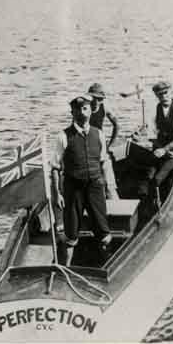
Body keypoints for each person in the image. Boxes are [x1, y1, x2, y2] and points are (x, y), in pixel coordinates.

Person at [50, 94, 111, 265]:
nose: (82, 112)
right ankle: (66, 268)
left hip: (95, 188)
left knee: (103, 232)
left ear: (91, 111)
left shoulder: (98, 134)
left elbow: (103, 162)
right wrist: (57, 194)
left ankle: (105, 266)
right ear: (72, 113)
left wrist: (106, 187)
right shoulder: (63, 136)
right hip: (73, 189)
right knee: (71, 234)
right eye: (77, 109)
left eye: (85, 108)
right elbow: (55, 167)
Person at [140, 81, 173, 211]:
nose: (163, 96)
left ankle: (162, 207)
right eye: (160, 94)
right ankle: (147, 206)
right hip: (160, 149)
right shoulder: (155, 109)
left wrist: (166, 150)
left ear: (171, 92)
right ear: (157, 96)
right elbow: (152, 136)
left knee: (158, 178)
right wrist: (160, 149)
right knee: (147, 175)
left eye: (165, 93)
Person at [88, 83, 121, 201]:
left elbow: (117, 125)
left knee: (109, 180)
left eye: (99, 99)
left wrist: (111, 145)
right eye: (94, 98)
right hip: (86, 146)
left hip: (100, 144)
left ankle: (115, 203)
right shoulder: (83, 108)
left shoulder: (105, 107)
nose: (96, 101)